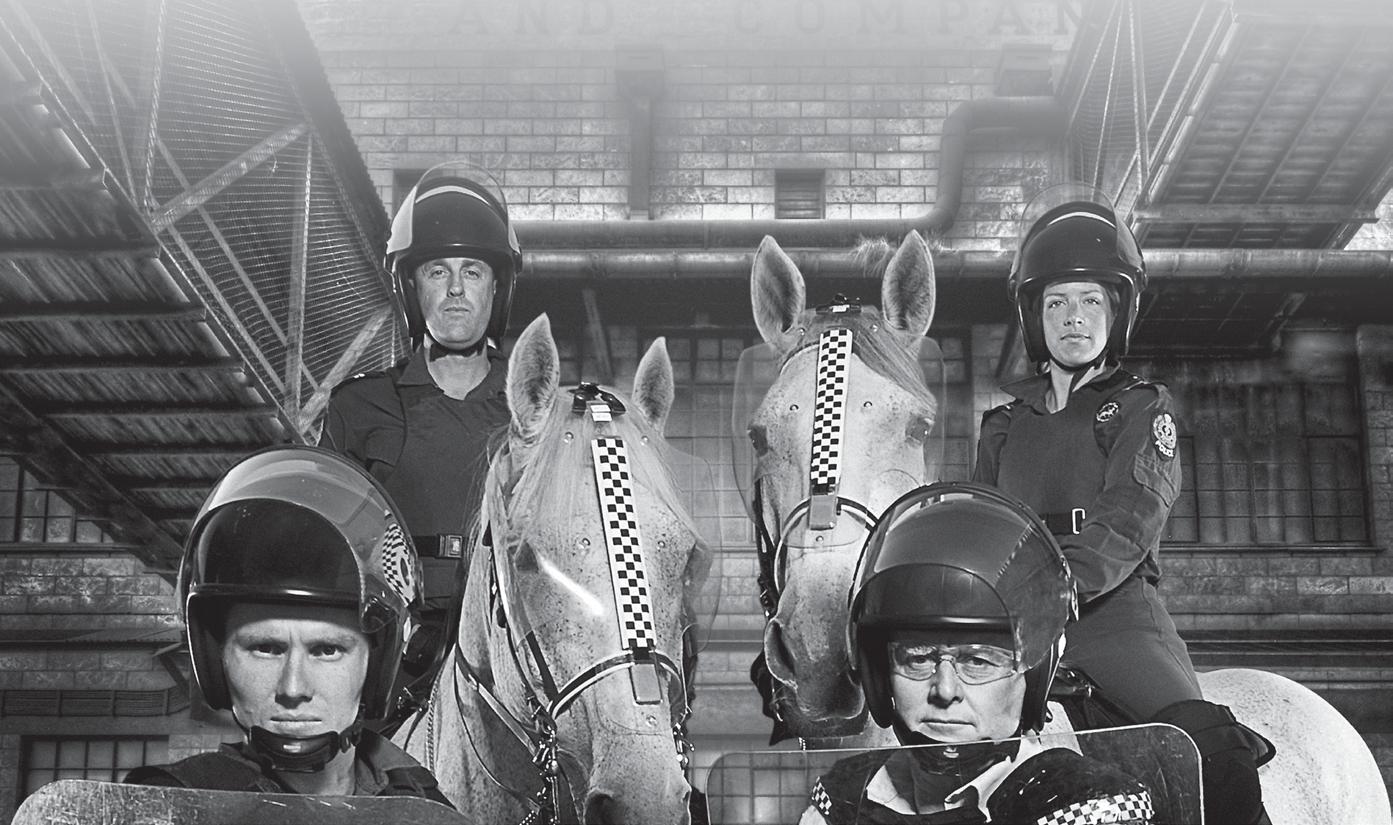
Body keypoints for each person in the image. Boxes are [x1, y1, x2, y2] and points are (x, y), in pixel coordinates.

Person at [973, 184, 1269, 825]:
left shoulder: (1139, 406)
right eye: (1056, 302)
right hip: (1015, 627)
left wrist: (1056, 588)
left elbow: (1132, 515)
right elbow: (983, 529)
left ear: (1116, 314)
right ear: (1035, 317)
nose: (1073, 318)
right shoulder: (1002, 426)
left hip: (1114, 618)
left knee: (1206, 750)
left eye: (1090, 301)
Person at [803, 482, 1155, 824]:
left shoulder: (1089, 808)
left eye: (978, 661)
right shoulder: (843, 796)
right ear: (879, 676)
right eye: (918, 659)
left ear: (1034, 676)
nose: (945, 691)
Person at [126, 446, 450, 805]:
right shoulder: (170, 806)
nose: (293, 688)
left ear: (376, 667)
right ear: (215, 662)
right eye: (265, 648)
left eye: (327, 650)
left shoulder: (425, 806)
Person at [318, 160, 520, 719]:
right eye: (437, 271)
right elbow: (327, 547)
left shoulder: (536, 410)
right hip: (392, 650)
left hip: (510, 647)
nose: (455, 289)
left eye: (472, 271)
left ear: (497, 287)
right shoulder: (359, 406)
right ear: (412, 287)